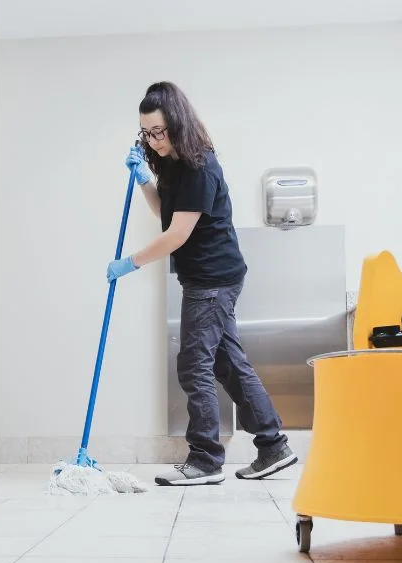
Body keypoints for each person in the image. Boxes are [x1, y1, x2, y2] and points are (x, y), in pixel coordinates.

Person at [106, 81, 297, 487]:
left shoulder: (199, 166)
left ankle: (206, 460)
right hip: (206, 277)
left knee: (194, 365)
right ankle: (273, 446)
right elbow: (165, 213)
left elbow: (177, 235)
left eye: (159, 131)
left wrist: (130, 263)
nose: (153, 140)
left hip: (213, 280)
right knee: (227, 364)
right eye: (146, 133)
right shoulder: (174, 164)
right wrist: (144, 179)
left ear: (177, 124)